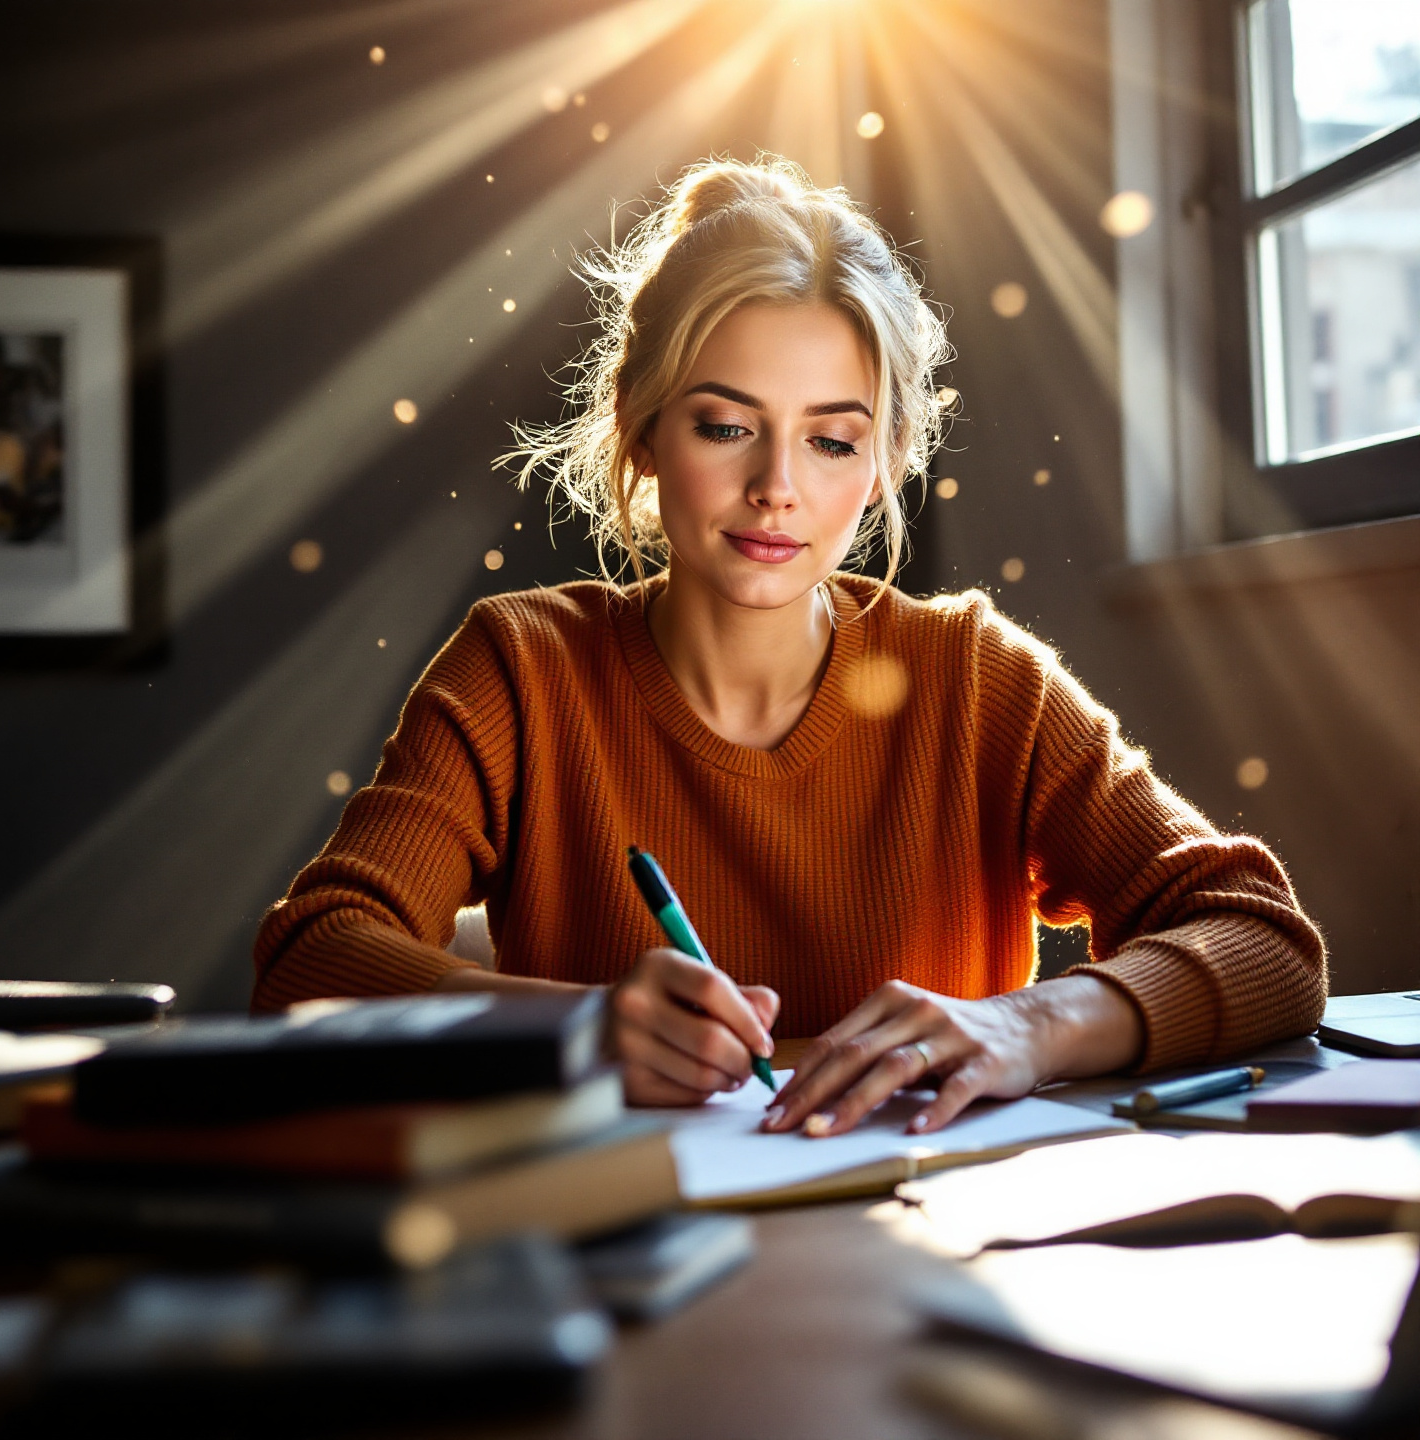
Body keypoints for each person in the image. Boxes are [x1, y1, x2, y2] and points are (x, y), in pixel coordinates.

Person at [253, 157, 1325, 1138]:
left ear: (887, 456)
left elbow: (1266, 942)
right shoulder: (520, 668)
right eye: (726, 426)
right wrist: (579, 1028)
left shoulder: (977, 677)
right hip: (625, 1232)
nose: (777, 486)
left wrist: (1028, 1025)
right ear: (640, 425)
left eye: (831, 440)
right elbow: (307, 958)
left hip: (932, 1237)